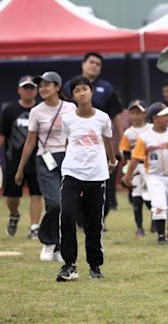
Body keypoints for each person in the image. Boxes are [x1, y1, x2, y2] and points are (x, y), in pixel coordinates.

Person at [56, 75, 117, 282]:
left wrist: (112, 160)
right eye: (77, 90)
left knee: (94, 222)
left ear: (91, 91)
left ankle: (95, 266)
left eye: (85, 89)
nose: (82, 93)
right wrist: (68, 162)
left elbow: (108, 140)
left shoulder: (103, 118)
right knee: (67, 215)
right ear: (72, 96)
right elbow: (67, 142)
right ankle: (69, 264)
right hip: (72, 173)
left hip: (96, 174)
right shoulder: (68, 119)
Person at [15, 71, 76, 261]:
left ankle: (58, 247)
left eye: (47, 85)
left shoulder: (70, 108)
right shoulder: (36, 111)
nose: (42, 89)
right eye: (40, 86)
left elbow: (77, 134)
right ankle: (48, 242)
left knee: (64, 206)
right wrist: (20, 169)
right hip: (45, 159)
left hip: (68, 159)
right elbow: (30, 142)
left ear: (57, 87)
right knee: (55, 202)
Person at [63, 52, 123, 215]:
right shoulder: (70, 86)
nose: (94, 66)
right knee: (76, 183)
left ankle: (100, 218)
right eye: (91, 62)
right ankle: (80, 218)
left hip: (99, 144)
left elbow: (116, 116)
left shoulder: (107, 88)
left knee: (104, 184)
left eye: (98, 64)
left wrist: (122, 141)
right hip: (77, 144)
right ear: (83, 64)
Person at [124, 103, 168, 244]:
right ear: (155, 118)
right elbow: (135, 158)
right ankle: (161, 236)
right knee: (159, 206)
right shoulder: (145, 137)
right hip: (154, 176)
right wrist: (127, 176)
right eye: (165, 115)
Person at [1, 75, 42, 239]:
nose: (28, 91)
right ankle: (14, 215)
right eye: (25, 88)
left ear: (36, 91)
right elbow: (2, 135)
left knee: (36, 194)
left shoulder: (41, 110)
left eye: (32, 88)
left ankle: (34, 228)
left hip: (37, 160)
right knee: (12, 196)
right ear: (19, 90)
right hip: (14, 161)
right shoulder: (9, 110)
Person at [119, 100, 152, 237]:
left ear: (145, 113)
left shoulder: (151, 128)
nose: (135, 115)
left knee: (151, 197)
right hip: (136, 167)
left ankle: (155, 222)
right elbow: (125, 151)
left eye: (138, 112)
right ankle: (139, 227)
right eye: (132, 112)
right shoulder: (129, 133)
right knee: (137, 197)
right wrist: (128, 168)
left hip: (150, 166)